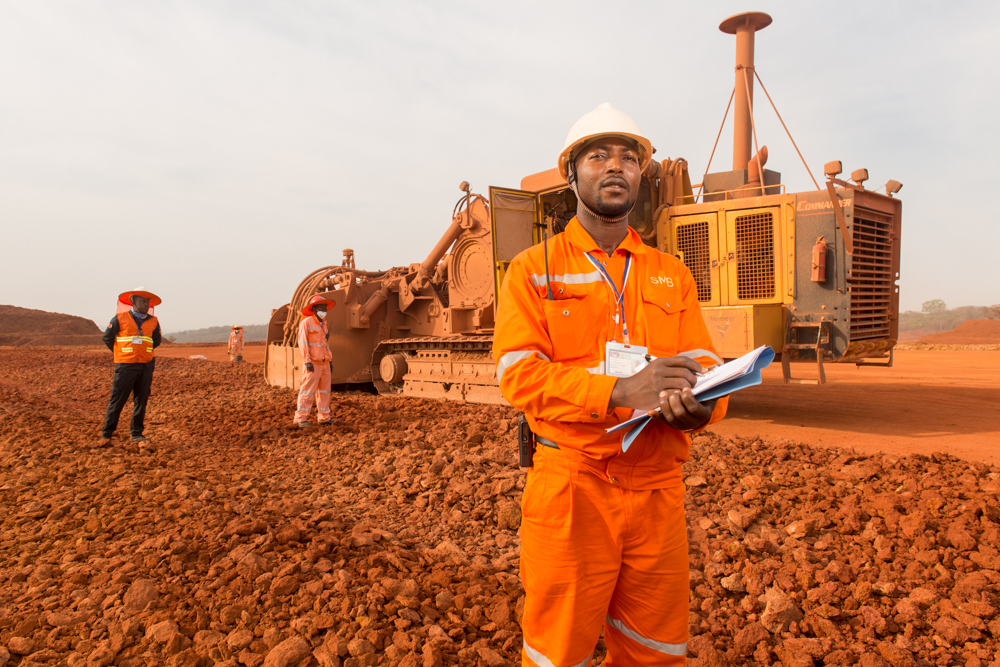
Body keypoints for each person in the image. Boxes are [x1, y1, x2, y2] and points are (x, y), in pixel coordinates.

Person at [493, 103, 729, 666]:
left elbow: (703, 360)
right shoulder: (532, 270)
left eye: (628, 157)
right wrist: (620, 392)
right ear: (572, 175)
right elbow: (517, 374)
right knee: (559, 652)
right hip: (572, 487)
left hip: (657, 490)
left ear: (641, 176)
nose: (615, 167)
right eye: (598, 156)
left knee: (657, 649)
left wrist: (701, 408)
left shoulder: (671, 273)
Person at [100, 289, 163, 447]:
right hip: (125, 366)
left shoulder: (153, 321)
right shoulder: (119, 318)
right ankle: (107, 433)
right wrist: (121, 352)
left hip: (146, 365)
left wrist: (142, 352)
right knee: (118, 399)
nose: (146, 304)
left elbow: (156, 341)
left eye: (147, 302)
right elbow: (107, 338)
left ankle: (136, 433)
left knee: (141, 400)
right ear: (133, 301)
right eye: (142, 301)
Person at [295, 295, 335, 427]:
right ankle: (301, 419)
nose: (324, 310)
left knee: (324, 392)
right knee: (307, 391)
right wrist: (307, 361)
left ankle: (324, 418)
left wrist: (329, 360)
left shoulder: (324, 324)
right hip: (313, 363)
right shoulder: (306, 323)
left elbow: (325, 344)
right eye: (321, 307)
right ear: (314, 309)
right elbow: (303, 343)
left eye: (325, 308)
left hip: (324, 363)